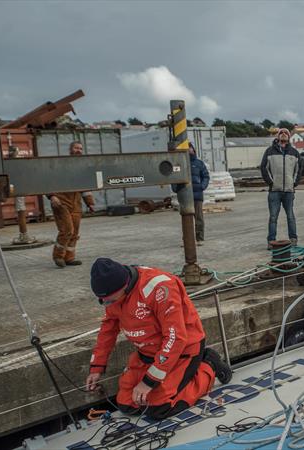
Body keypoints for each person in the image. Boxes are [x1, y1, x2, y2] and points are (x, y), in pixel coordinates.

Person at [84, 257, 232, 419]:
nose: (107, 303)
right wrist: (97, 366)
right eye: (103, 301)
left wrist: (148, 382)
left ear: (125, 287)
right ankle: (165, 381)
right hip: (148, 353)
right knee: (127, 404)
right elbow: (109, 328)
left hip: (182, 350)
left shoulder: (160, 288)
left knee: (160, 408)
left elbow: (175, 338)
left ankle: (208, 365)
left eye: (110, 300)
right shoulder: (113, 294)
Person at [48, 141, 95, 268]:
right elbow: (47, 180)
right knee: (67, 230)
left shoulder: (81, 168)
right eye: (76, 148)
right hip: (61, 202)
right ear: (70, 150)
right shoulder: (61, 165)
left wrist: (90, 203)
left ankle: (69, 257)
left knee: (74, 233)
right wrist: (52, 196)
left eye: (80, 148)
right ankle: (58, 256)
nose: (78, 150)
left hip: (76, 204)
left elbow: (85, 188)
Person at [261, 128, 301, 249]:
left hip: (289, 191)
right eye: (281, 133)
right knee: (273, 217)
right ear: (277, 136)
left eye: (286, 133)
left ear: (289, 137)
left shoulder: (294, 152)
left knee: (290, 216)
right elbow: (264, 168)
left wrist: (294, 183)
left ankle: (293, 239)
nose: (283, 134)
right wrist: (271, 183)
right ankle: (271, 241)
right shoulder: (269, 151)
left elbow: (298, 170)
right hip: (274, 191)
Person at [172, 143, 210, 244]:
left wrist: (202, 186)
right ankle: (187, 240)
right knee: (186, 218)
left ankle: (199, 238)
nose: (189, 150)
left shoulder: (199, 163)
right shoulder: (180, 163)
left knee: (198, 218)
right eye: (186, 148)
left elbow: (206, 176)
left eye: (190, 148)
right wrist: (175, 188)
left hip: (197, 194)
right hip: (184, 195)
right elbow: (174, 177)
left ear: (193, 150)